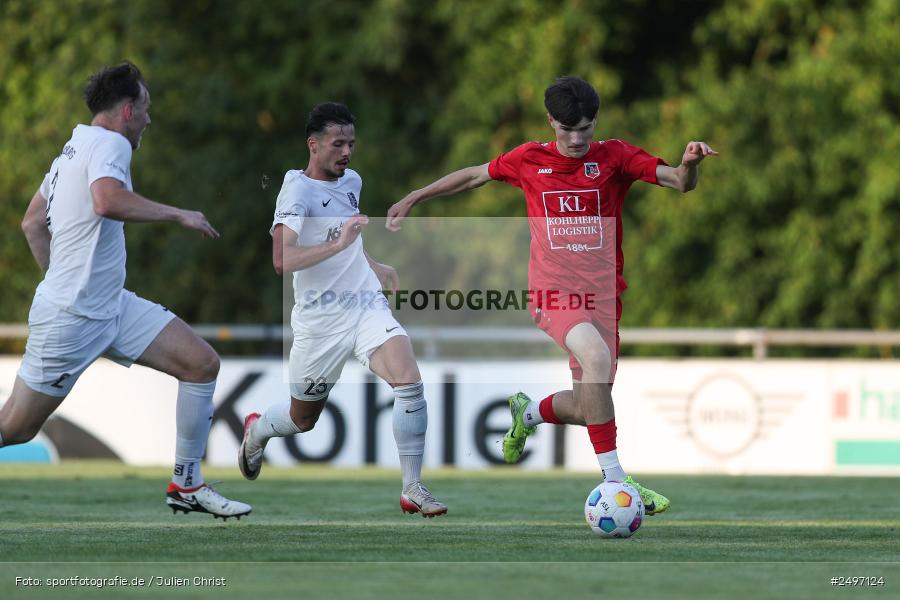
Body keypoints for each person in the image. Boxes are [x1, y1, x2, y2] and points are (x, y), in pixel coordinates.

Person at [387, 76, 717, 515]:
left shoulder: (616, 156)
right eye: (567, 130)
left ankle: (528, 414)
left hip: (604, 297)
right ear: (551, 122)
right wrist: (416, 196)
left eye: (585, 129)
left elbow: (678, 181)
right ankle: (618, 482)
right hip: (552, 292)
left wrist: (689, 163)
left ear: (596, 121)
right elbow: (474, 176)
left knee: (588, 405)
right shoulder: (530, 159)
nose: (577, 140)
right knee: (596, 359)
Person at [0, 62, 251, 520]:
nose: (149, 120)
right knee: (14, 429)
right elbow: (106, 200)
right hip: (73, 318)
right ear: (128, 110)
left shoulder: (72, 149)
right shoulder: (111, 142)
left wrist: (62, 278)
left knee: (201, 364)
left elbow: (32, 222)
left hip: (111, 307)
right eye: (146, 109)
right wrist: (179, 214)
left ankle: (187, 484)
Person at [238, 102, 447, 518]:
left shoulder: (352, 181)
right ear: (313, 145)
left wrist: (373, 264)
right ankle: (257, 430)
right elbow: (282, 259)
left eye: (351, 142)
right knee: (302, 420)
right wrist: (338, 245)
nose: (347, 151)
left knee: (408, 380)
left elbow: (346, 237)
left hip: (364, 304)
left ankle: (412, 487)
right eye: (338, 143)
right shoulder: (296, 191)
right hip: (319, 322)